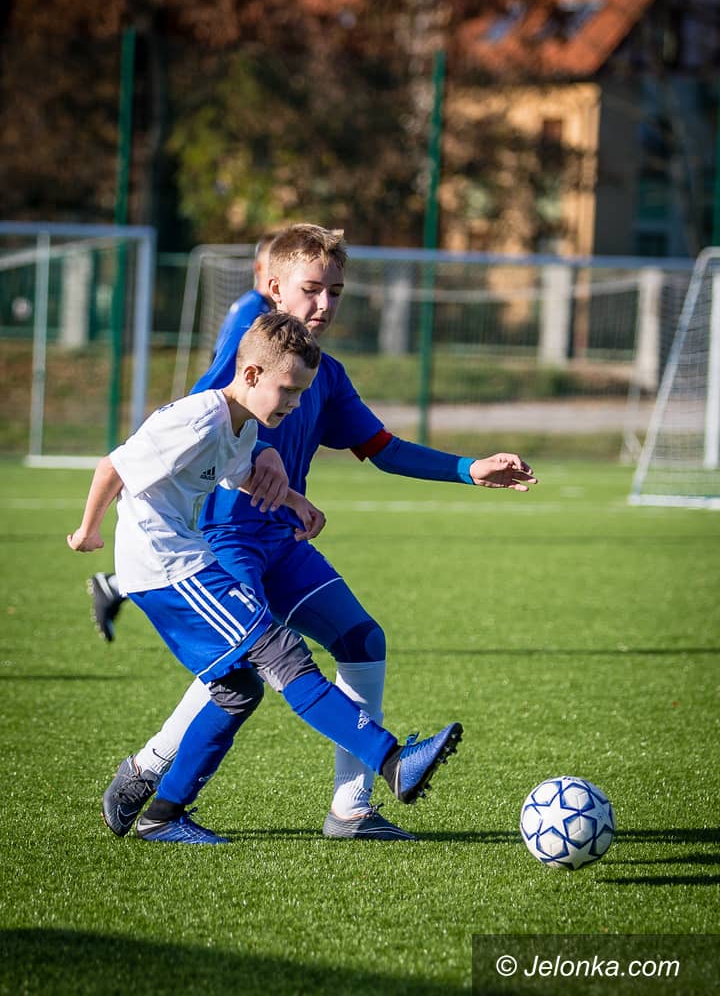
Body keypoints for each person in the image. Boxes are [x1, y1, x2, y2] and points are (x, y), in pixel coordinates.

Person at [98, 224, 536, 842]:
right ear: (274, 288)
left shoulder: (324, 374)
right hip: (224, 542)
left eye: (336, 292)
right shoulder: (248, 350)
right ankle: (151, 778)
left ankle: (351, 810)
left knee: (361, 639)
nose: (325, 304)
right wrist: (255, 454)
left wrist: (470, 468)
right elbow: (199, 417)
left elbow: (383, 448)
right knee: (241, 670)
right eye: (312, 289)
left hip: (282, 543)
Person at [68, 311, 463, 845]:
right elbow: (111, 467)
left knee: (238, 689)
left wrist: (296, 501)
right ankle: (393, 762)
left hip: (185, 561)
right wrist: (87, 531)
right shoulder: (196, 418)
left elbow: (241, 476)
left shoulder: (243, 426)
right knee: (280, 652)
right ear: (251, 374)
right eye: (289, 391)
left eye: (301, 394)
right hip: (165, 566)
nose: (294, 404)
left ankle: (162, 814)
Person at [87, 231, 280, 643]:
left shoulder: (259, 315)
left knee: (194, 534)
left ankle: (116, 585)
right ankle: (121, 584)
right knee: (200, 552)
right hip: (208, 439)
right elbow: (216, 380)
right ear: (262, 271)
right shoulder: (253, 311)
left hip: (225, 440)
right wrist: (88, 530)